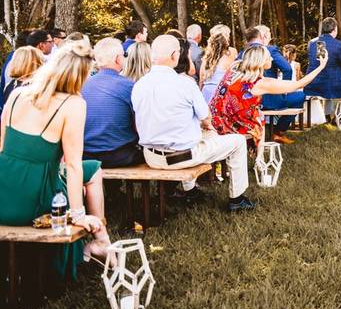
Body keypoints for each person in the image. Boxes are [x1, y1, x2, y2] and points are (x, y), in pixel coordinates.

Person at [0, 42, 111, 278]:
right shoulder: (73, 104)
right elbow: (72, 165)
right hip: (32, 200)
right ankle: (99, 240)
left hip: (3, 193)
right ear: (81, 76)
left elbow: (1, 148)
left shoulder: (18, 93)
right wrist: (79, 215)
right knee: (91, 168)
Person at [133, 35, 254, 212]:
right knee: (237, 141)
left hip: (151, 156)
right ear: (175, 55)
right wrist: (205, 124)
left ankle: (191, 191)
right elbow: (206, 117)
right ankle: (237, 198)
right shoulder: (185, 83)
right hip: (180, 158)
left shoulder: (139, 84)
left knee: (192, 135)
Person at [210, 45, 328, 149]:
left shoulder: (234, 69)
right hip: (229, 125)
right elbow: (298, 84)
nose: (271, 58)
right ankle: (260, 161)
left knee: (258, 113)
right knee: (258, 119)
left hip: (215, 117)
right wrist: (321, 67)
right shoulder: (259, 83)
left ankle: (258, 157)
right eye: (268, 57)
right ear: (261, 61)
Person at [81, 38, 142, 168]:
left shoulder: (82, 85)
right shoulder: (129, 86)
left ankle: (114, 188)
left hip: (85, 154)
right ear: (118, 59)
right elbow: (138, 124)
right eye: (124, 55)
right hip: (120, 154)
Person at [245, 26, 301, 145]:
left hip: (250, 100)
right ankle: (279, 132)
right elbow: (287, 69)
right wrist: (283, 90)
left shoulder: (244, 51)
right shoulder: (270, 50)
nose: (271, 35)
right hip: (270, 99)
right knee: (301, 96)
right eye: (269, 33)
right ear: (264, 36)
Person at [305, 18, 341, 119]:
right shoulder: (338, 45)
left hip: (313, 85)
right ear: (335, 29)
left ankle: (327, 116)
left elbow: (319, 63)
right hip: (331, 86)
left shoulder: (312, 43)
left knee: (328, 86)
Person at [201, 33, 236, 103]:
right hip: (219, 92)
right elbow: (232, 78)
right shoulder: (228, 60)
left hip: (206, 91)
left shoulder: (206, 59)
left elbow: (201, 79)